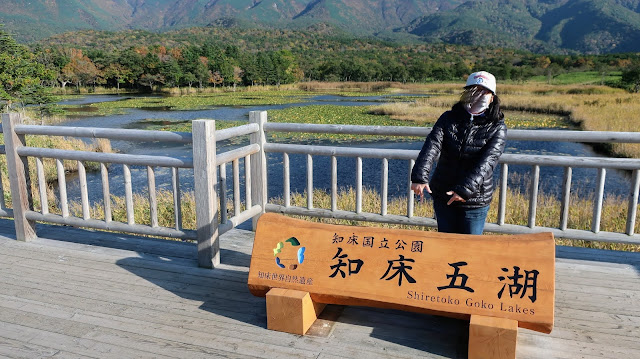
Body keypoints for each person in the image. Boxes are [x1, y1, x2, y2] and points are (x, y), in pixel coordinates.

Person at [410, 71, 507, 235]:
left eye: (485, 91)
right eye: (474, 89)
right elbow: (432, 145)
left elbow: (487, 162)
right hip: (444, 195)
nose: (479, 94)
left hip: (474, 199)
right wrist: (420, 177)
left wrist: (464, 190)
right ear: (466, 93)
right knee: (446, 246)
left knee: (469, 249)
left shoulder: (497, 127)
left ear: (492, 97)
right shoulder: (448, 118)